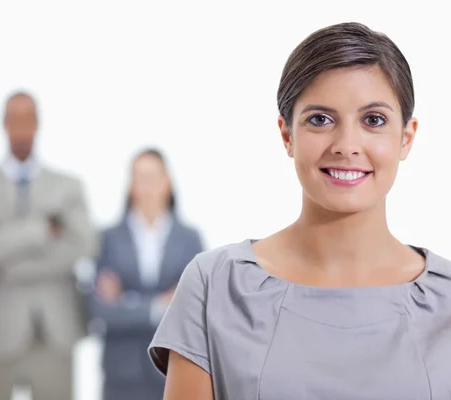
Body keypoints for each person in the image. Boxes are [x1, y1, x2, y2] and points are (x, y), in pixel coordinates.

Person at [148, 22, 451, 399]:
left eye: (373, 120)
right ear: (287, 135)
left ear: (406, 138)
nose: (347, 145)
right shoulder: (215, 286)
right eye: (320, 120)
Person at [0, 91, 96, 400]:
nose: (22, 127)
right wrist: (38, 231)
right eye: (14, 118)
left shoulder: (68, 187)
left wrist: (6, 261)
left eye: (28, 118)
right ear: (3, 124)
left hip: (55, 332)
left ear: (38, 124)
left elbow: (84, 245)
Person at [89, 148, 203, 400]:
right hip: (121, 373)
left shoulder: (189, 240)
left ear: (168, 183)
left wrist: (126, 300)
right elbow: (102, 309)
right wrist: (159, 305)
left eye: (153, 178)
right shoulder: (108, 239)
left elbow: (193, 309)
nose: (147, 187)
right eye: (140, 178)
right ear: (130, 186)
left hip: (173, 370)